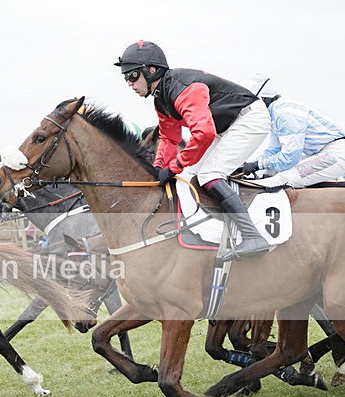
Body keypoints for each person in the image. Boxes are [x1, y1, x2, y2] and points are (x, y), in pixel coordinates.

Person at [115, 40, 271, 261]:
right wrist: (158, 168)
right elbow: (169, 137)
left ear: (151, 71)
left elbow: (203, 133)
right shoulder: (161, 99)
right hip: (224, 127)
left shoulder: (183, 89)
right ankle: (205, 232)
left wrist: (175, 165)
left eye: (132, 76)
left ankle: (252, 236)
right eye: (126, 78)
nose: (129, 83)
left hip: (249, 119)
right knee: (186, 175)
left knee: (209, 174)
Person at [240, 74, 345, 188]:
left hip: (332, 154)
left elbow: (289, 158)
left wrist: (257, 164)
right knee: (267, 172)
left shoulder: (284, 113)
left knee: (282, 179)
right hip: (319, 153)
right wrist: (246, 165)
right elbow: (273, 151)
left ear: (262, 99)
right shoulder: (275, 113)